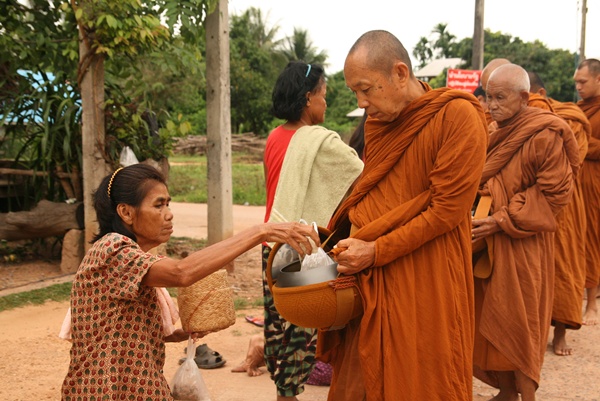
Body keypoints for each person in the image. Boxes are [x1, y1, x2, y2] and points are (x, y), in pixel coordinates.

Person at [319, 30, 488, 400]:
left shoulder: (457, 116)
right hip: (371, 279)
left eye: (366, 89)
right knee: (359, 380)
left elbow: (446, 212)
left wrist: (375, 250)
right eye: (354, 92)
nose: (362, 103)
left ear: (399, 73)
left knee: (422, 376)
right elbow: (375, 192)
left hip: (427, 272)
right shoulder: (380, 121)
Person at [61, 163, 320, 401]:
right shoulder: (113, 249)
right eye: (159, 205)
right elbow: (181, 273)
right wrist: (261, 231)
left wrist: (180, 334)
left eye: (168, 204)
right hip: (106, 391)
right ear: (126, 212)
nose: (169, 214)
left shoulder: (133, 257)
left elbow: (123, 333)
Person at [472, 64, 579, 401]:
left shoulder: (546, 134)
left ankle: (527, 394)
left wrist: (500, 218)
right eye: (489, 98)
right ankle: (506, 390)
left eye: (500, 98)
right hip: (489, 240)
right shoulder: (491, 131)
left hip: (525, 239)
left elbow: (554, 194)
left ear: (523, 97)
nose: (492, 106)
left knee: (522, 319)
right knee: (490, 313)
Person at [260, 61, 363, 401]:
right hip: (302, 245)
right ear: (308, 99)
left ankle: (281, 391)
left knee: (277, 324)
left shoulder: (274, 137)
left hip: (270, 241)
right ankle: (287, 395)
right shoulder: (322, 142)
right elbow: (361, 177)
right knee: (302, 325)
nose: (326, 103)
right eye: (323, 95)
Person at [528, 71, 590, 356]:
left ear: (538, 94)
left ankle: (561, 332)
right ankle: (534, 334)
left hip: (565, 200)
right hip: (530, 200)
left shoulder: (571, 118)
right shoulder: (514, 113)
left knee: (564, 265)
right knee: (535, 271)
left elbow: (574, 155)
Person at [575, 58, 600, 326]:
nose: (579, 87)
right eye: (576, 82)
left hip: (595, 183)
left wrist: (580, 140)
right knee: (578, 240)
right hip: (578, 180)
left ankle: (591, 304)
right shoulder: (580, 110)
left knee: (592, 238)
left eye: (583, 82)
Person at [480, 58, 512, 125]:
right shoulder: (487, 117)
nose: (492, 106)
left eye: (499, 97)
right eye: (488, 96)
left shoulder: (534, 116)